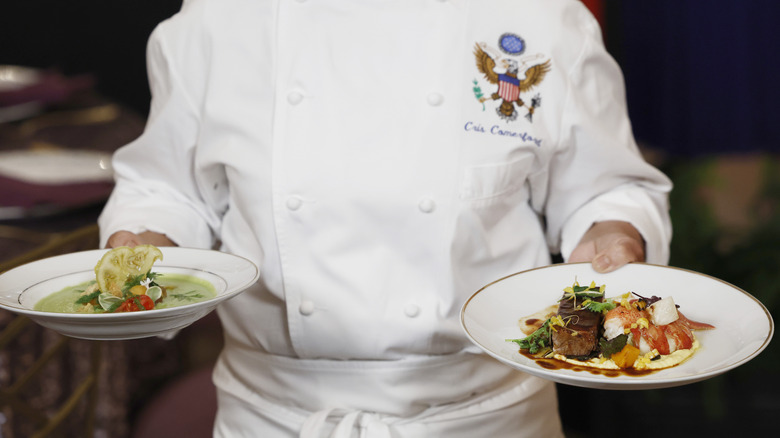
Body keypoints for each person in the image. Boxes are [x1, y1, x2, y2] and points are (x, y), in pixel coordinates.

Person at [99, 0, 672, 436]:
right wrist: (144, 239)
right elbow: (167, 186)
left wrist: (614, 237)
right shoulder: (219, 21)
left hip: (483, 420)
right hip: (275, 421)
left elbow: (605, 190)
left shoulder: (538, 17)